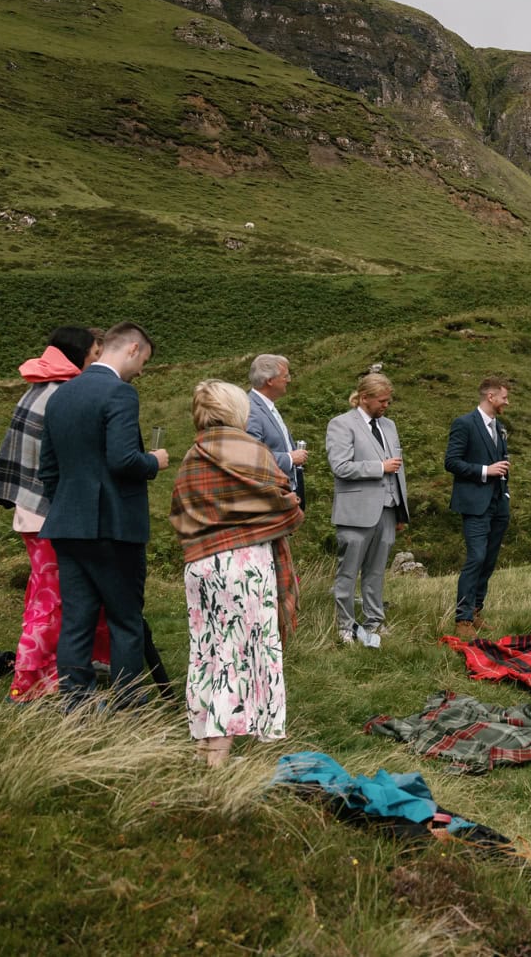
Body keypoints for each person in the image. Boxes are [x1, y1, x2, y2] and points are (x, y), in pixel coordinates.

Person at [168, 380, 303, 765]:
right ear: (236, 410)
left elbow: (179, 510)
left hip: (200, 565)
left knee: (208, 652)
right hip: (243, 567)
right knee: (237, 657)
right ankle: (218, 760)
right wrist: (289, 507)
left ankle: (204, 746)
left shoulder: (192, 454)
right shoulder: (253, 451)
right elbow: (284, 504)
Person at [38, 321, 170, 708]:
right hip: (115, 527)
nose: (141, 371)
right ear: (131, 349)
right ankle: (127, 700)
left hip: (68, 524)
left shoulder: (60, 394)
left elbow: (48, 470)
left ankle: (76, 704)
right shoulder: (120, 393)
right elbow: (123, 459)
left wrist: (67, 506)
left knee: (76, 620)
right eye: (143, 361)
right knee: (125, 619)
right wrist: (154, 462)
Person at [0, 326, 112, 701]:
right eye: (95, 354)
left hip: (33, 510)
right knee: (52, 598)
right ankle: (31, 679)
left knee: (52, 591)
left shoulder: (41, 386)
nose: (98, 362)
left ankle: (78, 662)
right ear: (78, 356)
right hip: (52, 514)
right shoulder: (63, 393)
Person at [326, 371, 408, 648]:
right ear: (364, 398)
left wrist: (400, 510)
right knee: (348, 572)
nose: (386, 405)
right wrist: (379, 468)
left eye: (388, 400)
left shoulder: (389, 425)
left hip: (388, 510)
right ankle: (345, 626)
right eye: (382, 400)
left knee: (376, 572)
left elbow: (398, 469)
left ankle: (375, 621)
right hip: (355, 511)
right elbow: (340, 466)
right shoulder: (341, 424)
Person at [445, 376, 512, 638]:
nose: (507, 402)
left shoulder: (499, 427)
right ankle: (462, 619)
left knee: (489, 559)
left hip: (498, 503)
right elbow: (451, 462)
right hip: (474, 504)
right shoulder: (464, 424)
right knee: (476, 557)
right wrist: (486, 470)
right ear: (490, 397)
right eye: (504, 397)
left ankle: (475, 610)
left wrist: (505, 493)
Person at [246, 353, 307, 509]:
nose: (289, 380)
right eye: (285, 376)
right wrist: (290, 458)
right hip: (272, 497)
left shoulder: (266, 405)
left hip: (286, 489)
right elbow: (252, 457)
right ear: (270, 381)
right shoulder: (251, 410)